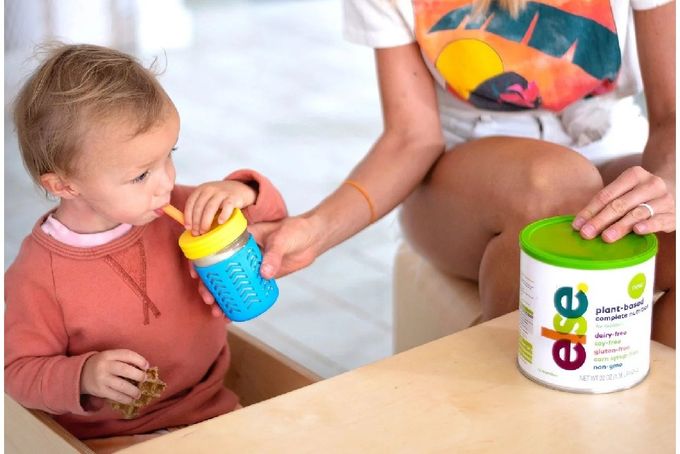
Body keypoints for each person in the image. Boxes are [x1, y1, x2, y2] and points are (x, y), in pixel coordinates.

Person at [249, 0, 676, 347]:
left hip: (609, 143)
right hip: (460, 171)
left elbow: (672, 115)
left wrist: (667, 185)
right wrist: (314, 229)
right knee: (557, 185)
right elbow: (412, 139)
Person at [4, 43, 287, 449]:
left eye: (168, 156)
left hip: (209, 409)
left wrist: (241, 191)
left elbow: (276, 219)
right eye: (141, 175)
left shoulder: (179, 209)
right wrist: (83, 375)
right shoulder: (37, 275)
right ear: (64, 185)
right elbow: (19, 374)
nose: (166, 182)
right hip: (114, 436)